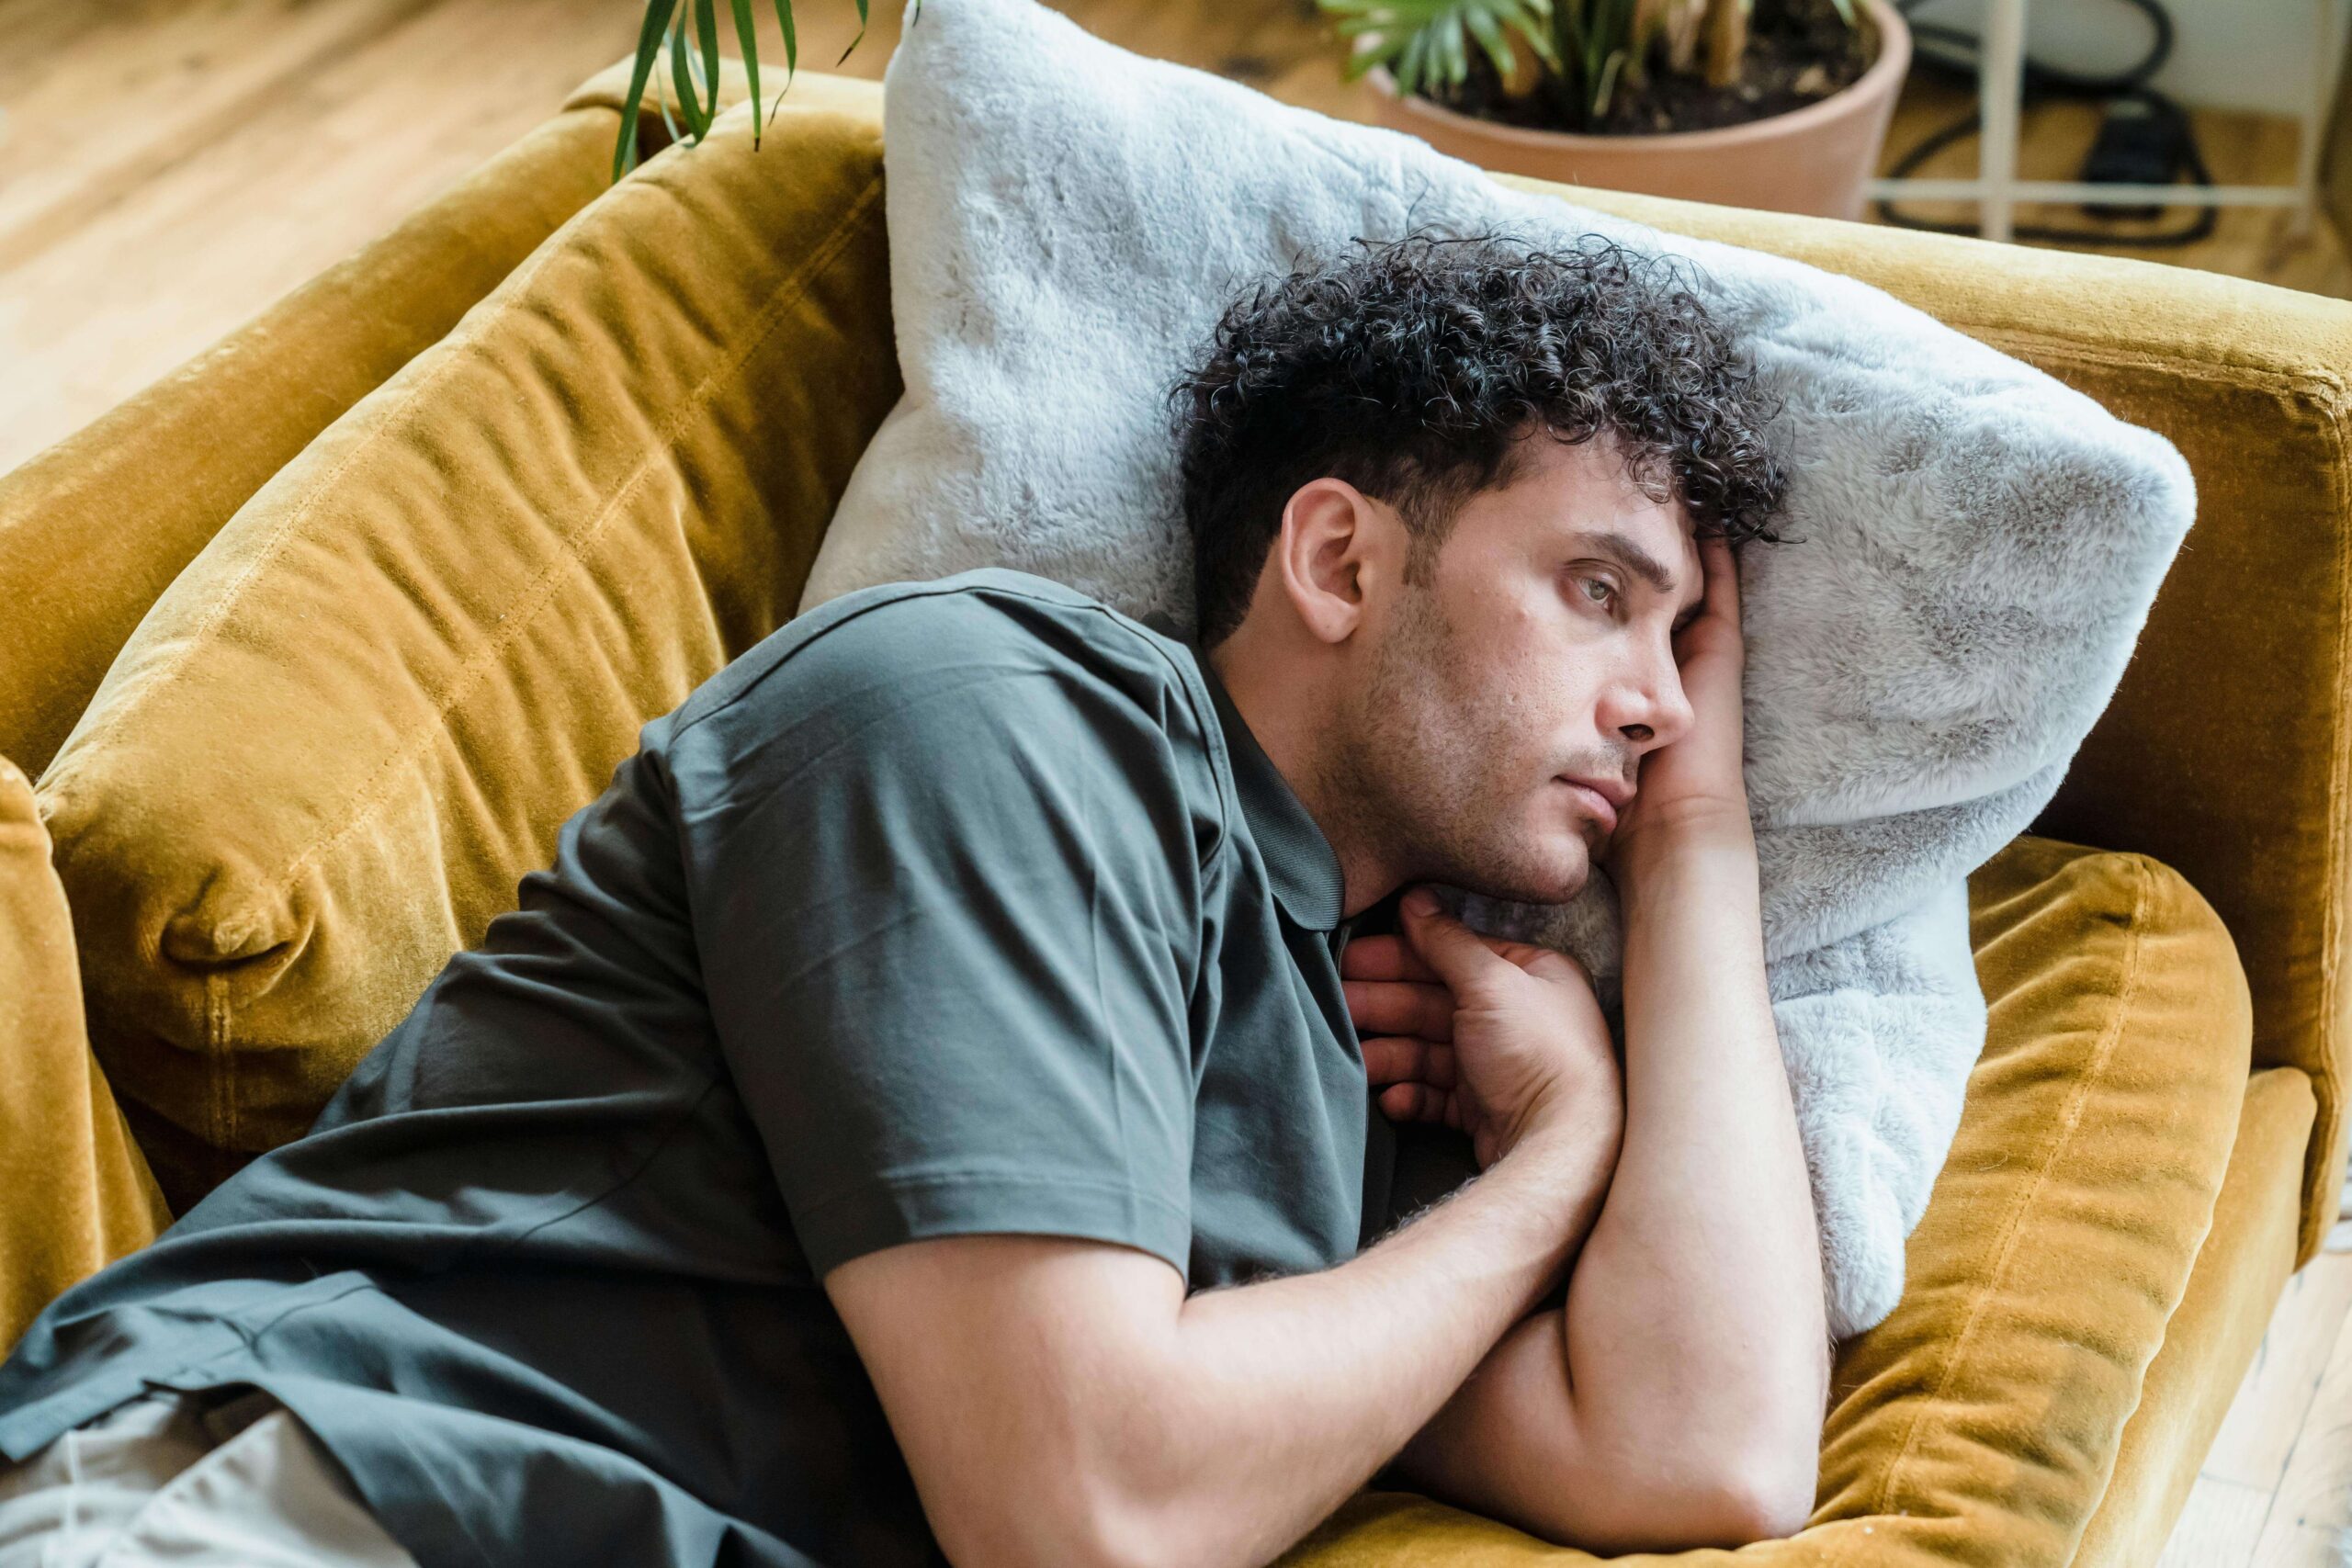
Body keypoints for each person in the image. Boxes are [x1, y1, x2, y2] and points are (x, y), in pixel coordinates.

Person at [0, 229, 1825, 1568]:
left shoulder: (1375, 1044)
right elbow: (1085, 1515)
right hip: (315, 1493)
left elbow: (1705, 1446)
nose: (1657, 700)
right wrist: (1548, 1177)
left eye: (1683, 646)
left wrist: (1695, 856)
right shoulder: (990, 716)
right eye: (1598, 590)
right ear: (1337, 555)